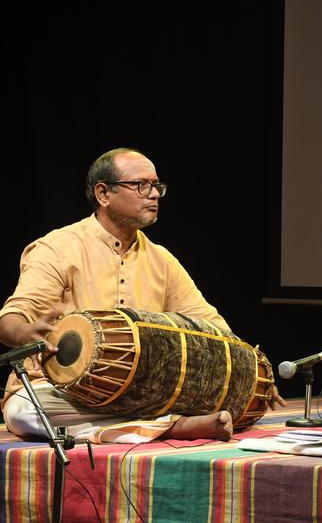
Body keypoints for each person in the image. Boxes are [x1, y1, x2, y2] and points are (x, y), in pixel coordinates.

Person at [0, 148, 283, 443]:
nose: (154, 194)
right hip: (63, 391)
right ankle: (170, 427)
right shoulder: (57, 249)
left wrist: (247, 369)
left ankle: (142, 424)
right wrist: (22, 332)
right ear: (103, 193)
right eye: (141, 185)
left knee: (215, 395)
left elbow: (211, 326)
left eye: (156, 186)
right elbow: (11, 318)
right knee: (25, 410)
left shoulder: (162, 260)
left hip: (144, 395)